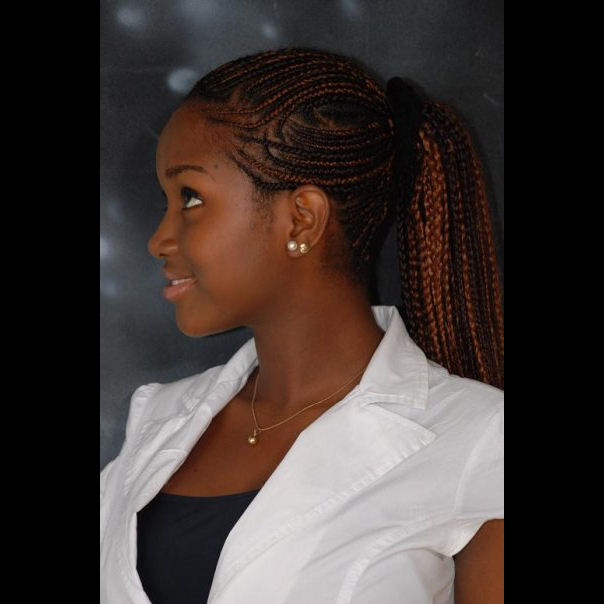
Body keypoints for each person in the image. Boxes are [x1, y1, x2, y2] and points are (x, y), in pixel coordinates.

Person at [100, 47, 504, 604]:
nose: (157, 240)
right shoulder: (158, 419)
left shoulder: (479, 439)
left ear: (302, 219)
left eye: (189, 198)